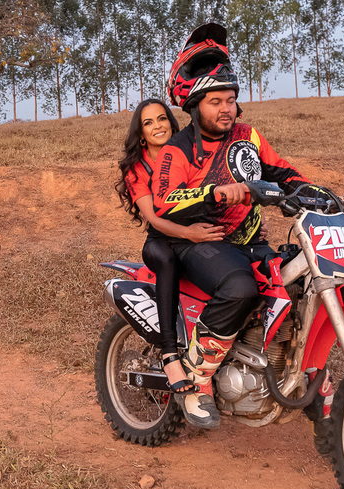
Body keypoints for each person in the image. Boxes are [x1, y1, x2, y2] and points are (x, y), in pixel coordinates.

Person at [150, 23, 311, 429]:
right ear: (194, 106)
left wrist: (315, 192)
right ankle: (197, 377)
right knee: (239, 287)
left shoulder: (247, 136)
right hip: (196, 241)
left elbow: (283, 171)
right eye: (216, 101)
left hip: (249, 239)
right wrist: (219, 193)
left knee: (301, 283)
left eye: (232, 99)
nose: (227, 108)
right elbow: (164, 202)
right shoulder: (177, 149)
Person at [115, 98, 225, 425]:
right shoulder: (138, 167)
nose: (158, 126)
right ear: (141, 133)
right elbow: (153, 217)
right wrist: (190, 234)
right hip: (161, 240)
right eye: (148, 123)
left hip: (193, 236)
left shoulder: (185, 152)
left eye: (162, 119)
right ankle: (168, 353)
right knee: (166, 258)